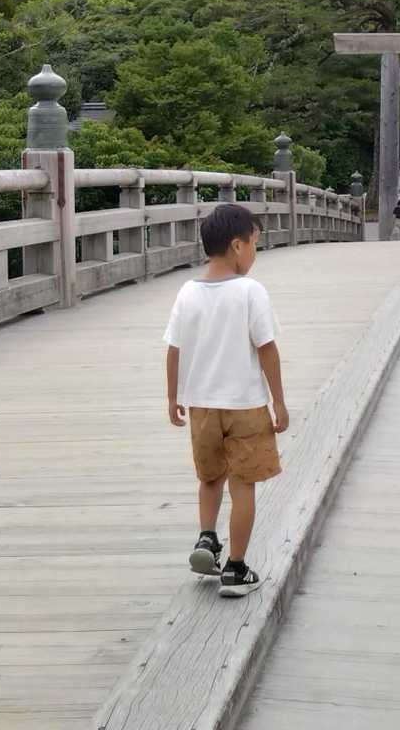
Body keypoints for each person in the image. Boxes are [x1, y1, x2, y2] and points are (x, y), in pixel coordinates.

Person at [163, 203, 290, 598]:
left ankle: (206, 538)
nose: (255, 253)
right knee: (243, 483)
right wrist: (279, 402)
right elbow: (267, 349)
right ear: (237, 246)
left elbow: (173, 349)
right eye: (255, 244)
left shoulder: (187, 292)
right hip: (245, 405)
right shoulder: (250, 291)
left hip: (201, 405)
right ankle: (236, 568)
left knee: (209, 477)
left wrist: (173, 397)